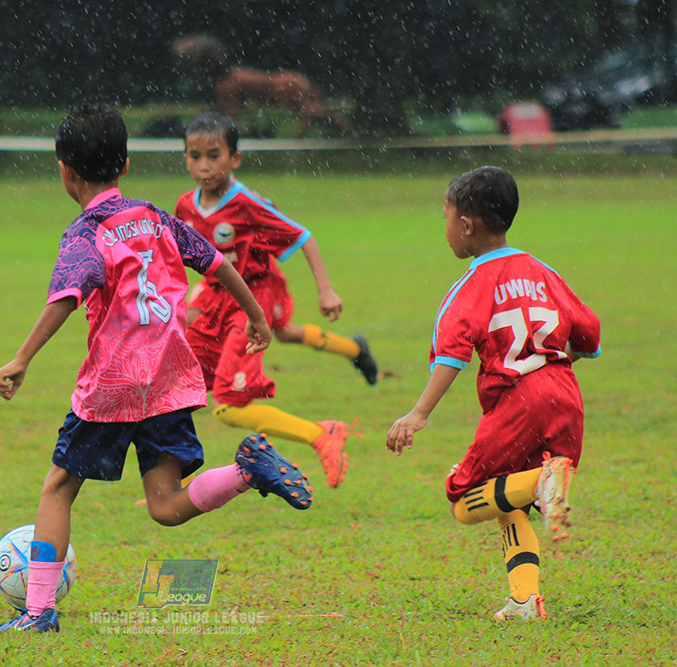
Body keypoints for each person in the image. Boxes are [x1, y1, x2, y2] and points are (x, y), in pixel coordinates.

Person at [0, 104, 315, 635]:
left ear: (65, 170)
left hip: (116, 383)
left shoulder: (86, 232)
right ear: (127, 165)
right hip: (169, 378)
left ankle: (39, 610)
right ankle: (246, 471)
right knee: (164, 506)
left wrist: (22, 357)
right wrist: (256, 314)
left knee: (57, 489)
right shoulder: (158, 218)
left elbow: (67, 296)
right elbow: (215, 261)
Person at [385, 166, 601, 622]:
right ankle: (524, 600)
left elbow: (451, 355)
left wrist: (418, 413)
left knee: (465, 500)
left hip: (519, 402)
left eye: (445, 219)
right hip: (564, 392)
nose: (444, 230)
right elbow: (589, 337)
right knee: (507, 497)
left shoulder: (471, 284)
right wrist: (546, 364)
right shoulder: (543, 271)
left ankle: (543, 480)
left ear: (466, 224)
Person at [176, 112, 375, 489]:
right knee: (182, 386)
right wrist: (188, 301)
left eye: (213, 155)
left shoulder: (247, 203)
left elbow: (304, 238)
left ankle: (321, 433)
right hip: (218, 295)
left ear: (235, 158)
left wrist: (325, 289)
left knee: (227, 405)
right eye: (194, 155)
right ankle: (354, 349)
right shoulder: (185, 206)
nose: (203, 166)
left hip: (255, 295)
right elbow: (184, 258)